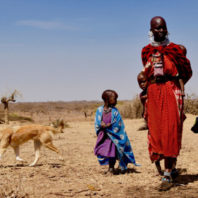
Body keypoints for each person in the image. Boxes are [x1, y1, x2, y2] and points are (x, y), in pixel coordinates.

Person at [141, 16, 192, 191]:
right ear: (151, 30)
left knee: (171, 130)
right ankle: (167, 168)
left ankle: (168, 173)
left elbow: (187, 71)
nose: (160, 31)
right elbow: (145, 74)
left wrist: (176, 84)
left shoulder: (175, 50)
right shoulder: (146, 51)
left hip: (171, 90)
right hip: (154, 93)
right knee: (157, 132)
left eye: (163, 27)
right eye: (157, 28)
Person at [94, 89, 139, 174]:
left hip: (114, 136)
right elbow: (97, 121)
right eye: (114, 98)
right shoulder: (99, 110)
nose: (116, 101)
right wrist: (101, 124)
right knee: (103, 150)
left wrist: (109, 126)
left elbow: (118, 123)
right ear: (107, 99)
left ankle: (111, 168)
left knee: (112, 152)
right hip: (104, 136)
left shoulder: (115, 111)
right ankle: (110, 167)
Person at [137, 72, 163, 175]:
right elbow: (145, 107)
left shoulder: (156, 90)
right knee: (153, 146)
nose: (142, 84)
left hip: (159, 122)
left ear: (149, 80)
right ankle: (159, 170)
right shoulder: (142, 94)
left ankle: (170, 168)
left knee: (164, 144)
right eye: (139, 83)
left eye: (143, 81)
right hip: (150, 123)